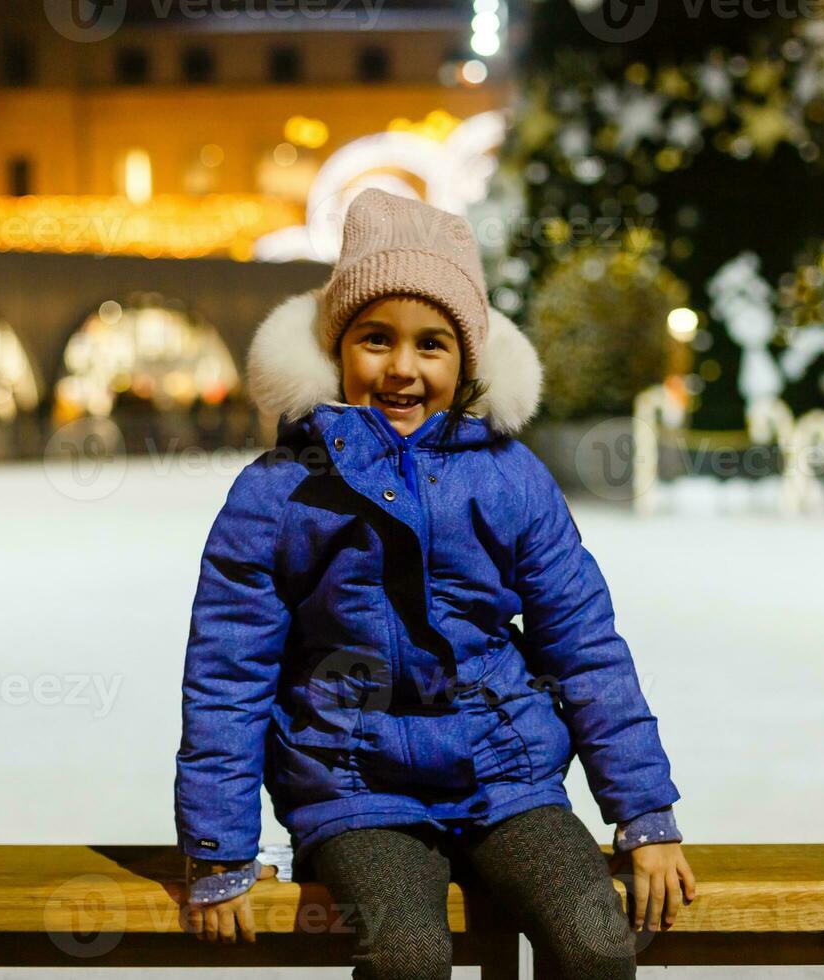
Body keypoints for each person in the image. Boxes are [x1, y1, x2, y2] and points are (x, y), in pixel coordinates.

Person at [175, 187, 695, 978]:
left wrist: (645, 815)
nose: (402, 369)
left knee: (594, 941)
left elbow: (585, 646)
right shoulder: (282, 490)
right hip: (354, 784)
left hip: (505, 771)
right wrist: (220, 849)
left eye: (433, 344)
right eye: (376, 339)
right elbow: (227, 671)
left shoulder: (509, 478)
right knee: (408, 957)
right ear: (336, 348)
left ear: (468, 359)